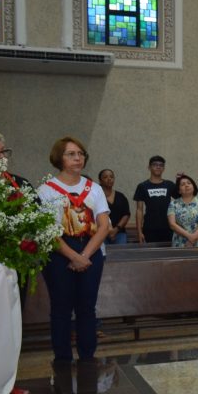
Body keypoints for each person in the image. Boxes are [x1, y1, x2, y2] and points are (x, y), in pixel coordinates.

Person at [37, 137, 111, 365]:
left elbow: (104, 226)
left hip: (90, 249)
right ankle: (62, 358)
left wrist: (85, 256)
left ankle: (88, 356)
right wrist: (72, 256)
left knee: (87, 306)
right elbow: (48, 232)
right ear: (59, 158)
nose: (78, 158)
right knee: (61, 307)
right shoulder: (45, 190)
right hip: (59, 251)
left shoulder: (95, 189)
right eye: (71, 154)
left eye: (80, 153)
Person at [0, 130, 32, 394]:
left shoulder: (11, 182)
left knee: (11, 327)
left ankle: (5, 381)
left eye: (3, 153)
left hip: (8, 265)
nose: (0, 159)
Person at [133, 155, 176, 243]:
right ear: (149, 167)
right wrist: (139, 231)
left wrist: (179, 180)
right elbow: (139, 210)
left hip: (168, 227)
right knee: (150, 255)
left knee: (168, 255)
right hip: (149, 228)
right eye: (155, 164)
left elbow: (181, 198)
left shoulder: (169, 184)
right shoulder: (142, 186)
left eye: (161, 165)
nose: (158, 167)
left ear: (163, 168)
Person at [167, 174, 198, 247]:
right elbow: (172, 224)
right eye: (182, 184)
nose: (186, 185)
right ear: (179, 190)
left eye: (189, 183)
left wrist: (194, 237)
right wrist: (189, 237)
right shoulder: (173, 203)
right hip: (180, 242)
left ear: (193, 186)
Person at [97, 169, 130, 245]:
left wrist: (116, 229)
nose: (109, 179)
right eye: (105, 177)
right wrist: (107, 230)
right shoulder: (96, 196)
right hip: (101, 233)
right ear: (100, 180)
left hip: (119, 233)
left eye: (111, 177)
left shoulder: (121, 196)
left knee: (121, 255)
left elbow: (126, 214)